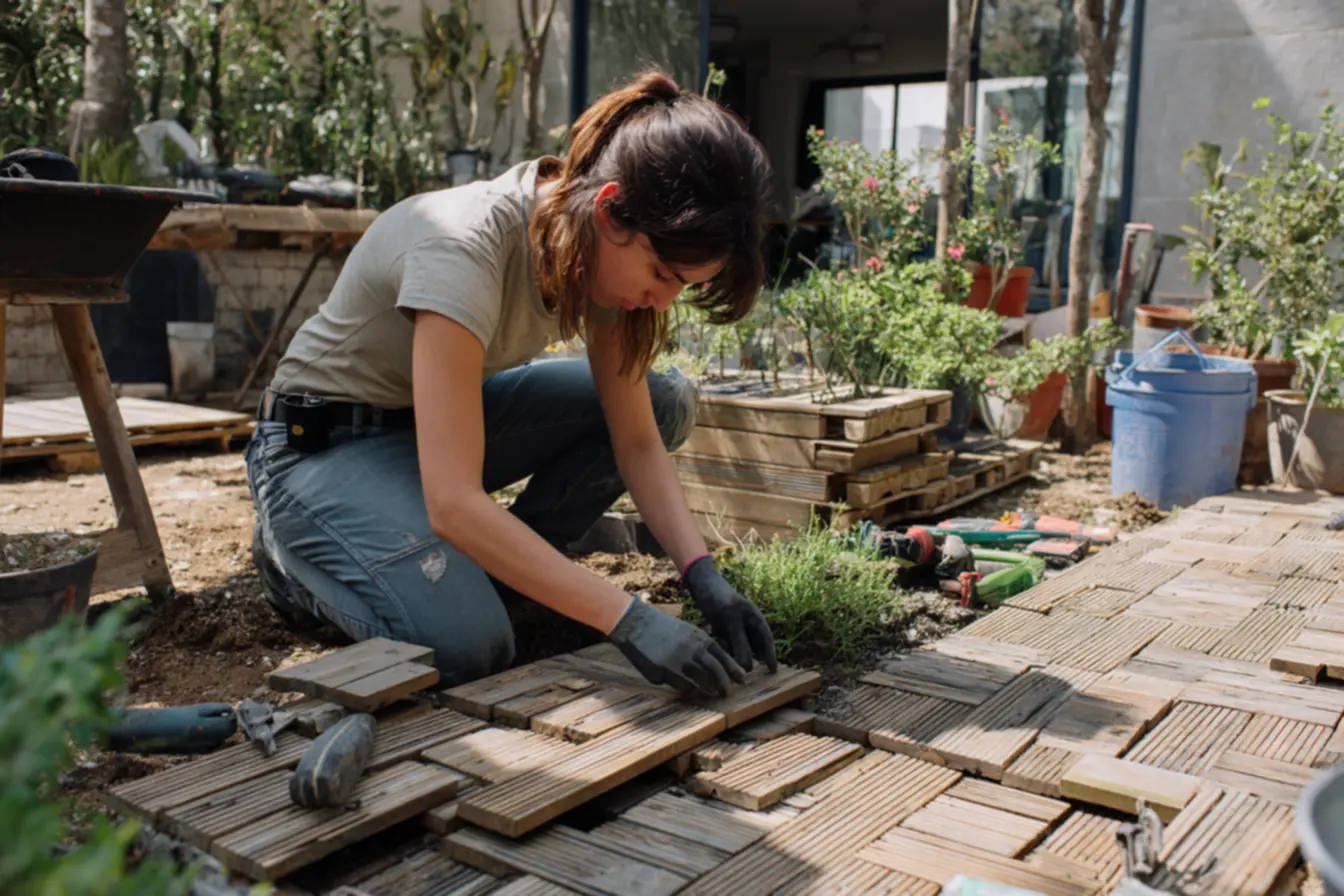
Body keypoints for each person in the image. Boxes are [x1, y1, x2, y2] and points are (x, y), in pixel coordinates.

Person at [244, 69, 779, 700]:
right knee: (472, 648)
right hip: (319, 447)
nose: (661, 300)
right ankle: (294, 558)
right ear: (610, 210)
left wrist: (703, 576)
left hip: (424, 429)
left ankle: (495, 580)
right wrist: (626, 618)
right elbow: (453, 500)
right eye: (662, 273)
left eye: (681, 288)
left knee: (664, 398)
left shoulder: (593, 249)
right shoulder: (462, 244)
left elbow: (635, 441)